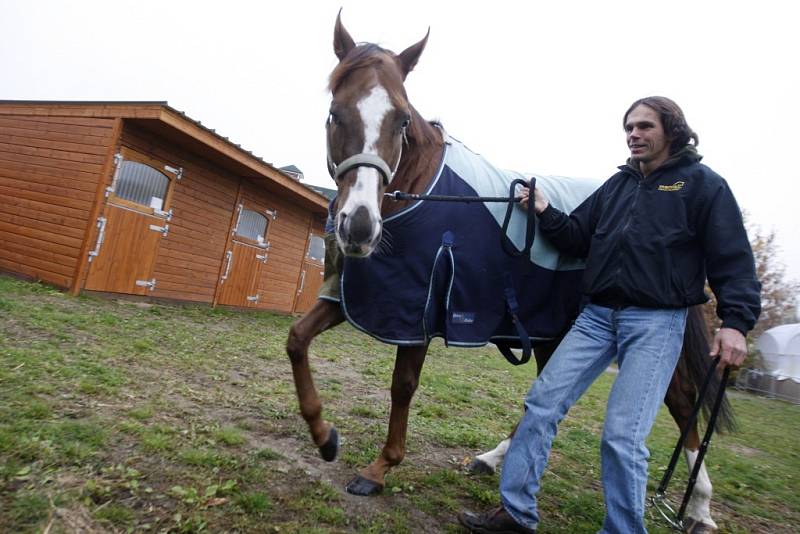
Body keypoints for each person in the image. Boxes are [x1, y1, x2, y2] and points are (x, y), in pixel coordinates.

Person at [458, 96, 761, 534]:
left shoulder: (702, 185)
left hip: (656, 322)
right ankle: (516, 514)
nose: (634, 134)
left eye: (644, 126)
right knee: (541, 405)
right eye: (629, 128)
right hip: (597, 316)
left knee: (622, 436)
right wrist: (543, 209)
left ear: (671, 129)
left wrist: (736, 322)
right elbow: (578, 237)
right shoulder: (617, 186)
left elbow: (733, 257)